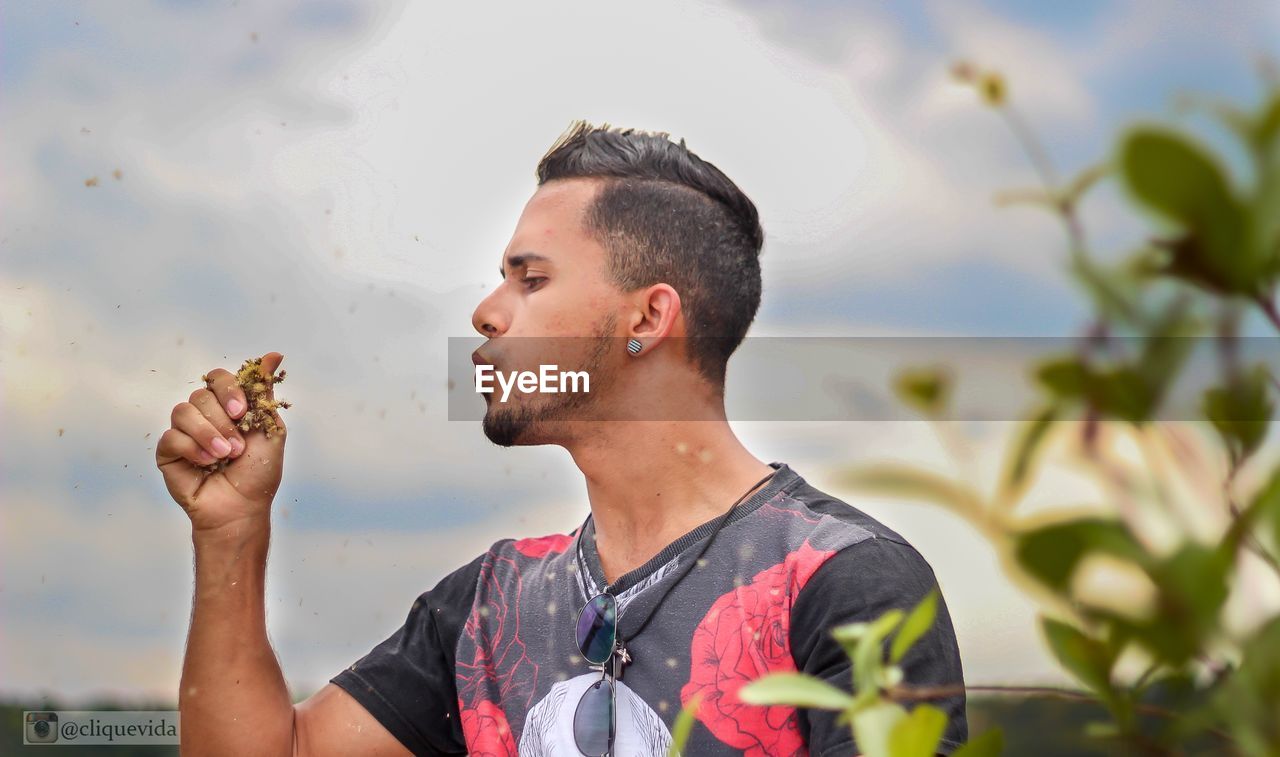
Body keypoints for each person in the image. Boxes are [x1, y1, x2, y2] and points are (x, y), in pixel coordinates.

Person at [156, 121, 967, 756]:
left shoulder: (847, 582)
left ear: (648, 318)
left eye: (531, 278)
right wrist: (231, 533)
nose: (486, 312)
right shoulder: (485, 608)